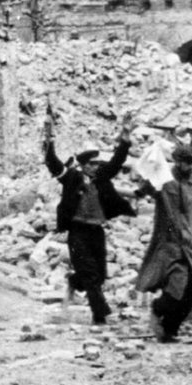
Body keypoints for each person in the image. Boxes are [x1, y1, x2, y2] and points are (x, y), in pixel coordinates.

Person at [44, 115, 136, 325]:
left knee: (100, 275)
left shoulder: (102, 178)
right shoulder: (72, 178)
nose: (96, 167)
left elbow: (117, 161)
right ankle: (101, 316)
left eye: (97, 164)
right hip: (77, 232)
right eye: (92, 164)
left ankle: (74, 281)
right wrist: (49, 141)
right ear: (84, 165)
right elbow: (53, 163)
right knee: (91, 275)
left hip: (97, 232)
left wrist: (125, 139)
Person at [136, 145, 192, 341]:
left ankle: (169, 330)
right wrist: (151, 173)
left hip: (190, 246)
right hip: (170, 245)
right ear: (177, 161)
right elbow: (144, 189)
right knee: (176, 288)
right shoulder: (164, 179)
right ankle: (157, 309)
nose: (190, 167)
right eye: (186, 163)